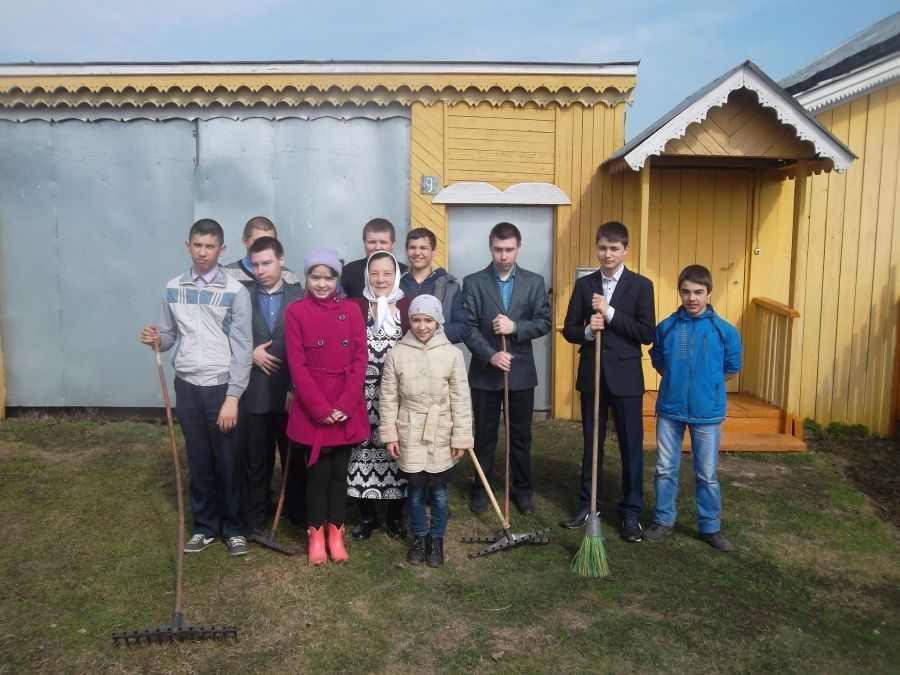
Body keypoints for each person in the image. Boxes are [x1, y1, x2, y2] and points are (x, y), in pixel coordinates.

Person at [139, 218, 253, 556]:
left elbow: (243, 348)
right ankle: (204, 526)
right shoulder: (173, 288)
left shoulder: (235, 292)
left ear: (222, 249)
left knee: (229, 460)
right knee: (199, 459)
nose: (203, 253)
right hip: (188, 384)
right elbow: (170, 335)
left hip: (222, 387)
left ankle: (233, 528)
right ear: (187, 246)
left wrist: (233, 397)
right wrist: (157, 339)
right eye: (197, 245)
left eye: (210, 246)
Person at [561, 221, 655, 542]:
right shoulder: (585, 285)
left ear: (626, 249)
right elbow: (570, 329)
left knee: (631, 446)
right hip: (593, 376)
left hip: (626, 378)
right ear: (597, 247)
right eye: (603, 247)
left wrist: (610, 313)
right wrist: (589, 329)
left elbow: (646, 333)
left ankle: (630, 511)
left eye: (614, 248)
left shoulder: (641, 286)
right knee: (592, 444)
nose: (608, 253)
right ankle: (590, 504)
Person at [644, 264, 742, 551]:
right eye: (686, 292)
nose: (692, 298)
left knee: (707, 473)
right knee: (664, 468)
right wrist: (676, 380)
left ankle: (710, 526)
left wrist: (708, 384)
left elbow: (731, 367)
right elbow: (658, 358)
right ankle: (663, 519)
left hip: (707, 413)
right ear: (680, 292)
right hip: (670, 410)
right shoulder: (668, 327)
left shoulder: (723, 331)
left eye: (699, 292)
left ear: (709, 293)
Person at [284, 247, 369, 565]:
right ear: (306, 278)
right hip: (313, 408)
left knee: (339, 474)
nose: (321, 284)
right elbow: (298, 365)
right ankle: (316, 534)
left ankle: (337, 533)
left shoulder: (353, 310)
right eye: (315, 277)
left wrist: (345, 403)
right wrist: (321, 408)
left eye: (328, 277)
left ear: (337, 278)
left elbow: (360, 360)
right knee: (317, 474)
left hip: (346, 405)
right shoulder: (295, 312)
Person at [463, 222, 551, 516]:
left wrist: (516, 327)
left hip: (521, 373)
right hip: (486, 373)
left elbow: (544, 321)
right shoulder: (473, 282)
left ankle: (522, 490)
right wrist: (490, 355)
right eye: (498, 249)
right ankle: (482, 489)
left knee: (521, 436)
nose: (503, 255)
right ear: (491, 247)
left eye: (509, 249)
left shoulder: (534, 282)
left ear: (519, 248)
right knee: (485, 435)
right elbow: (469, 327)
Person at [379, 294, 474, 567]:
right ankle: (420, 537)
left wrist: (461, 436)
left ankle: (437, 539)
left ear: (438, 322)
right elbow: (388, 398)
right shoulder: (397, 354)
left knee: (441, 492)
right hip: (409, 429)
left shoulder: (453, 354)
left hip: (441, 430)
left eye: (428, 320)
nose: (422, 326)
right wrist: (391, 434)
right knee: (416, 491)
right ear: (410, 321)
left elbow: (460, 399)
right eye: (417, 320)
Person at [240, 236, 306, 536]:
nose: (260, 270)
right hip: (254, 392)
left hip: (289, 393)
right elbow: (228, 336)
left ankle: (295, 508)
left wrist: (295, 386)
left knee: (293, 456)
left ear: (281, 260)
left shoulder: (299, 296)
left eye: (266, 262)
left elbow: (307, 345)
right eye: (254, 264)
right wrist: (250, 352)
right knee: (256, 457)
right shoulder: (242, 295)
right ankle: (255, 513)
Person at [347, 251, 411, 540]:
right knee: (361, 453)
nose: (381, 279)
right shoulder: (355, 307)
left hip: (397, 397)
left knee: (397, 452)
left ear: (396, 275)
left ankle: (396, 516)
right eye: (374, 273)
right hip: (362, 395)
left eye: (387, 273)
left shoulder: (408, 307)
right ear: (366, 275)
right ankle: (367, 515)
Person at [399, 227, 470, 344]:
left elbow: (462, 327)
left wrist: (431, 332)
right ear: (406, 251)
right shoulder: (395, 284)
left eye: (423, 248)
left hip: (439, 356)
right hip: (403, 355)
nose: (417, 252)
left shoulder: (450, 286)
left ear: (434, 251)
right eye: (412, 248)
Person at [340, 218, 408, 298]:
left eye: (383, 242)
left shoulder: (404, 273)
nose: (378, 247)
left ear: (393, 244)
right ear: (364, 243)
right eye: (372, 242)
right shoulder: (348, 272)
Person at [224, 216, 300, 287]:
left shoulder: (289, 277)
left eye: (269, 241)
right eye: (257, 241)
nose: (263, 246)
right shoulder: (225, 275)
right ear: (244, 241)